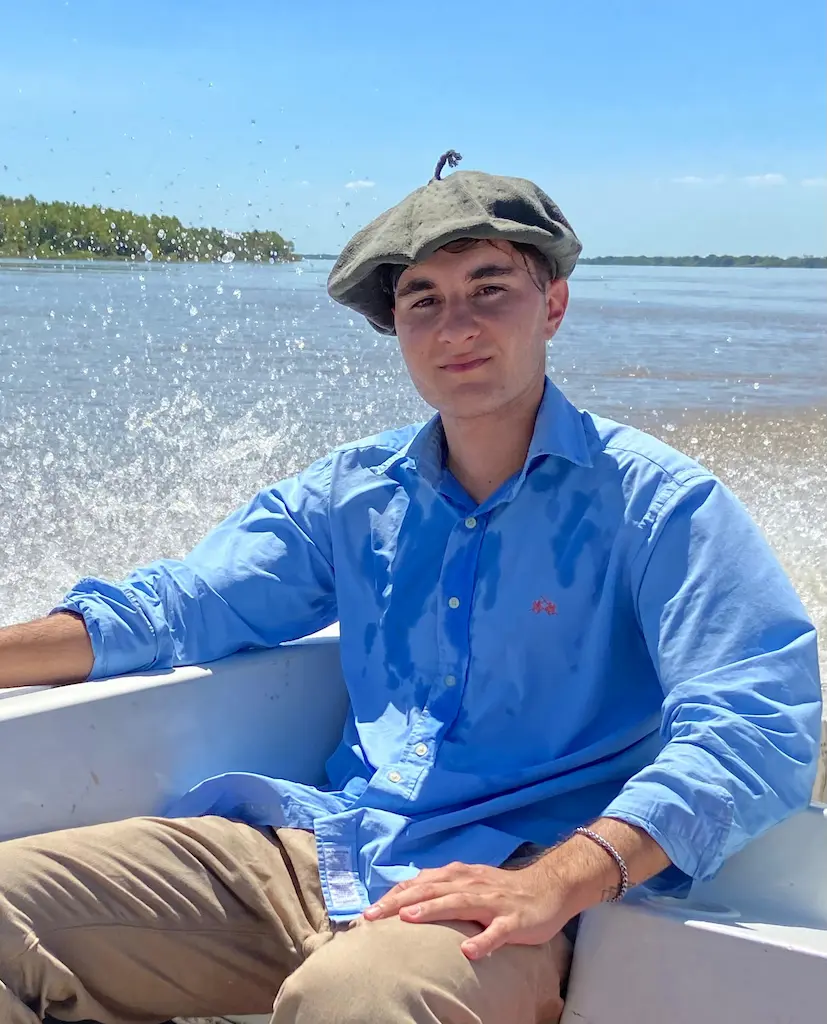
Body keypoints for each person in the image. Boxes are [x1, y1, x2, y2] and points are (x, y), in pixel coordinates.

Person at [0, 152, 821, 1024]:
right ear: (396, 328)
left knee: (352, 1000)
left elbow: (755, 724)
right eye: (422, 299)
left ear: (553, 305)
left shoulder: (657, 506)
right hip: (324, 848)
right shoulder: (352, 493)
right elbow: (182, 607)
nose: (454, 324)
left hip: (511, 883)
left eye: (488, 287)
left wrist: (561, 880)